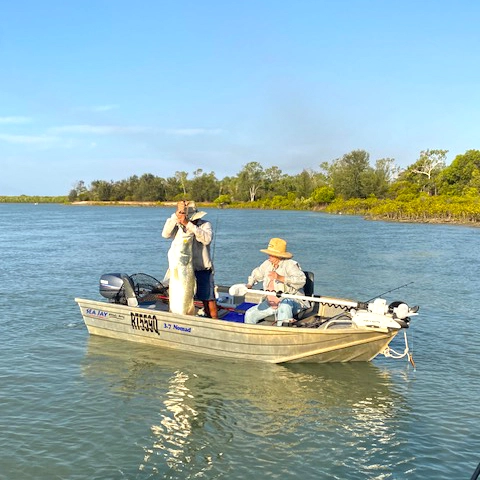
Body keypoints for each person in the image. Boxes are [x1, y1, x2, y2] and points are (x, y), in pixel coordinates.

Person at [162, 200, 218, 319]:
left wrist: (189, 224)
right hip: (182, 268)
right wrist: (176, 215)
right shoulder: (178, 225)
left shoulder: (205, 225)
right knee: (180, 297)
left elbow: (206, 239)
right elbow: (165, 234)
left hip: (202, 269)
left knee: (208, 299)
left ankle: (215, 323)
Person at [244, 238, 306, 326]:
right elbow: (257, 274)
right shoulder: (267, 264)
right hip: (270, 303)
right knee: (250, 314)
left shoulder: (290, 265)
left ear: (279, 255)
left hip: (291, 301)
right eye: (269, 254)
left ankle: (282, 334)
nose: (269, 256)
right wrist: (250, 284)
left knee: (284, 307)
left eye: (272, 255)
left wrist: (280, 278)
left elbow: (301, 280)